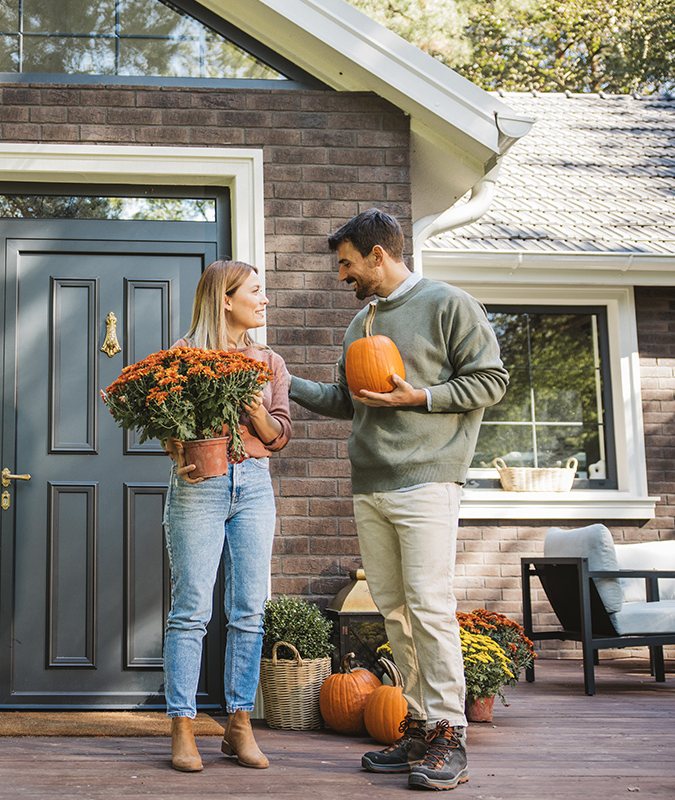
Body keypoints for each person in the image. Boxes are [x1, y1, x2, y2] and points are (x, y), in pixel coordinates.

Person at [288, 209, 508, 791]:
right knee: (393, 611)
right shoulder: (361, 322)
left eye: (346, 263)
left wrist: (421, 398)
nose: (342, 275)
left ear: (377, 256)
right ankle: (415, 724)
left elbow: (490, 380)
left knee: (430, 606)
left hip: (429, 479)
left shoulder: (446, 303)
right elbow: (346, 400)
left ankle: (448, 735)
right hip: (372, 485)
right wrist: (284, 382)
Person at [162, 260, 292, 773]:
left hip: (255, 486)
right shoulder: (183, 356)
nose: (264, 301)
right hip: (201, 486)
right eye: (256, 292)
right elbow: (165, 424)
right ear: (225, 300)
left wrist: (254, 404)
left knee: (249, 610)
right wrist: (178, 453)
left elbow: (279, 434)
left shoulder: (270, 361)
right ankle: (183, 726)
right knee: (191, 610)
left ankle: (239, 724)